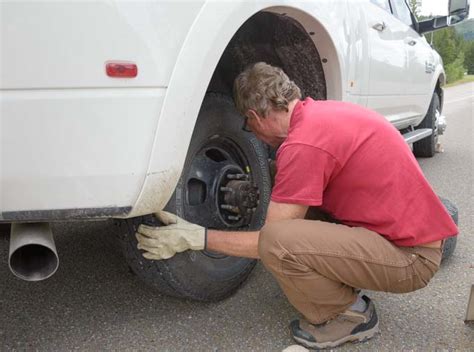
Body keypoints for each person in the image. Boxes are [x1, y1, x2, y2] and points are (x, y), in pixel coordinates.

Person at [135, 62, 458, 349]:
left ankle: (351, 316)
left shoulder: (304, 144)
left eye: (250, 129)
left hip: (411, 259)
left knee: (279, 241)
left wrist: (196, 238)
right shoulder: (319, 116)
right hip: (400, 237)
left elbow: (269, 242)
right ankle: (343, 281)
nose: (256, 138)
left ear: (255, 116)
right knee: (286, 211)